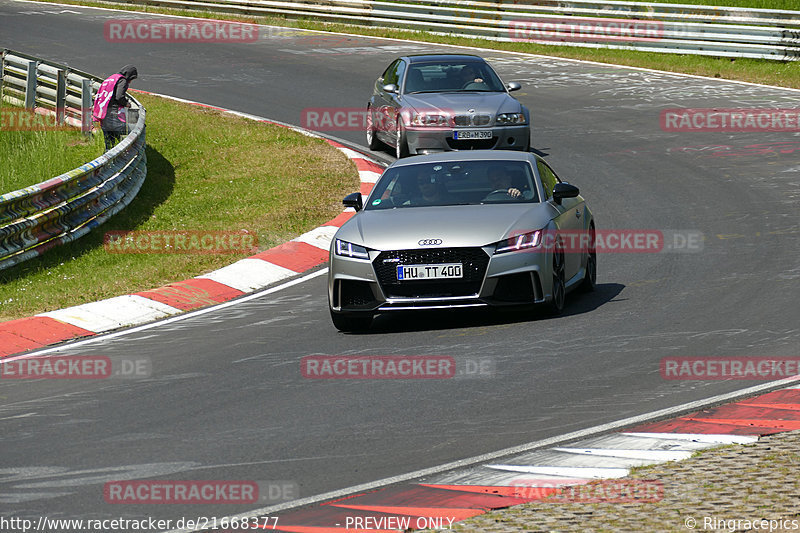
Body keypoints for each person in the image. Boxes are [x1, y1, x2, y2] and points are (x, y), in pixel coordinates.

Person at [93, 65, 138, 150]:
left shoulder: (112, 77)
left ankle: (109, 159)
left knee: (109, 142)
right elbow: (119, 96)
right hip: (113, 114)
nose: (130, 82)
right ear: (129, 75)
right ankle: (127, 156)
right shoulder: (122, 80)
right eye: (131, 79)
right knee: (129, 137)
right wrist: (126, 103)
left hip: (103, 113)